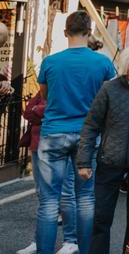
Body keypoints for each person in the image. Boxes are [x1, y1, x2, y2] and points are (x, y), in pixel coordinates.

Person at [35, 10, 116, 254]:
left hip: (53, 133)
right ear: (90, 33)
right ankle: (84, 249)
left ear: (65, 32)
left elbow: (45, 95)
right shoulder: (102, 62)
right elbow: (108, 98)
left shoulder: (50, 62)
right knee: (86, 198)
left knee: (49, 201)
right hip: (87, 135)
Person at [77, 44, 129, 254]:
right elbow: (91, 124)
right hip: (109, 161)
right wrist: (84, 161)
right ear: (126, 66)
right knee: (101, 217)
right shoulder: (109, 89)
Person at [19, 90, 79, 254]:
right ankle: (39, 241)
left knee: (66, 193)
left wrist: (38, 111)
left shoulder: (66, 87)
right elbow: (27, 111)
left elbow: (58, 109)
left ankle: (71, 241)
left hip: (59, 145)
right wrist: (40, 110)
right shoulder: (44, 89)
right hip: (37, 145)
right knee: (42, 195)